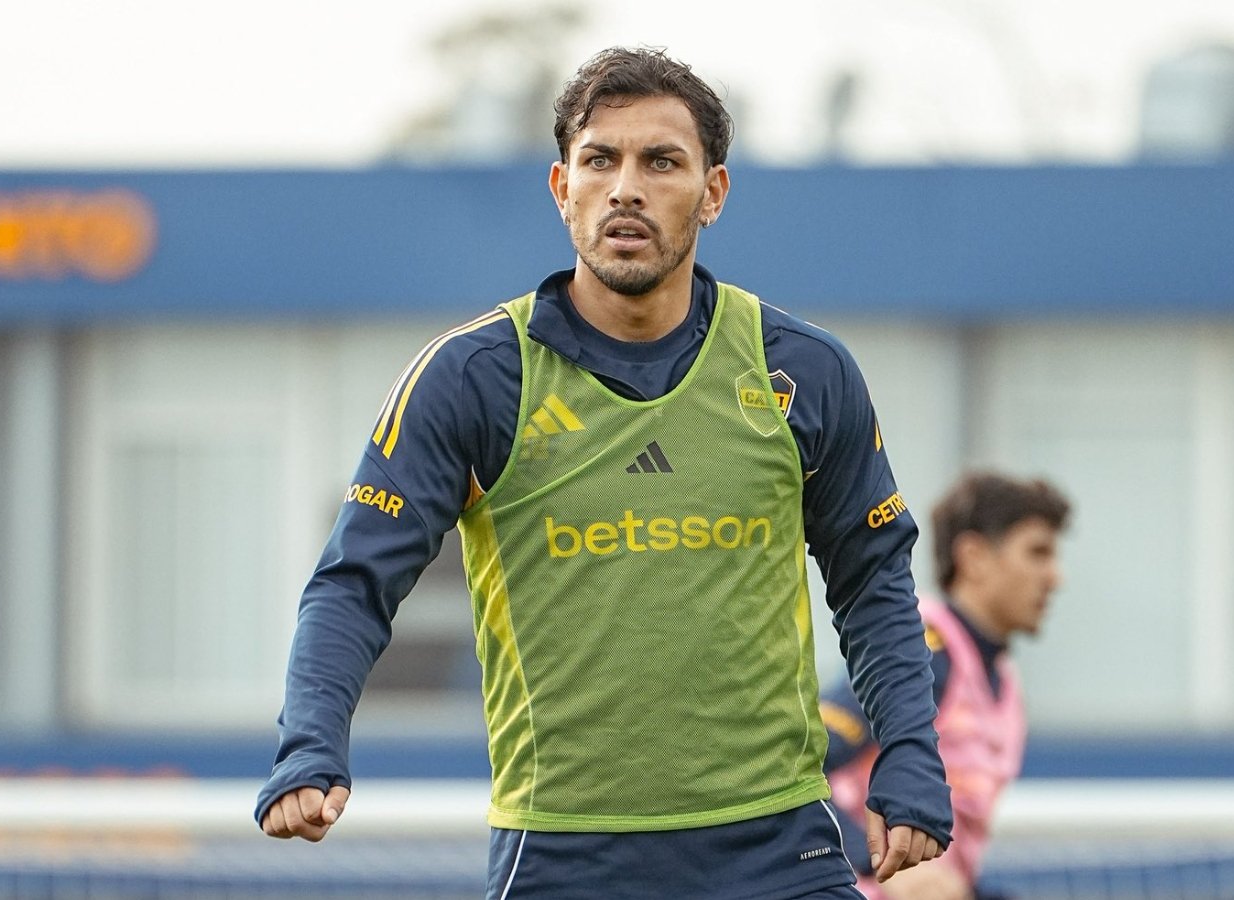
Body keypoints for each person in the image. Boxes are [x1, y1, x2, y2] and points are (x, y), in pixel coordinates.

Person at [256, 45, 953, 899]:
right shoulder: (473, 378)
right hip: (563, 858)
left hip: (781, 852)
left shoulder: (802, 370)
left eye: (661, 161)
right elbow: (353, 582)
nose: (626, 186)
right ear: (562, 189)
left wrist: (911, 755)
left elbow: (874, 580)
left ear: (713, 193)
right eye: (600, 160)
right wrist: (311, 741)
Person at [821, 471, 1072, 900]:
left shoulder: (1006, 688)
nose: (1055, 578)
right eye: (1037, 553)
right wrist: (880, 862)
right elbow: (797, 767)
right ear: (973, 556)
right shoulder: (920, 653)